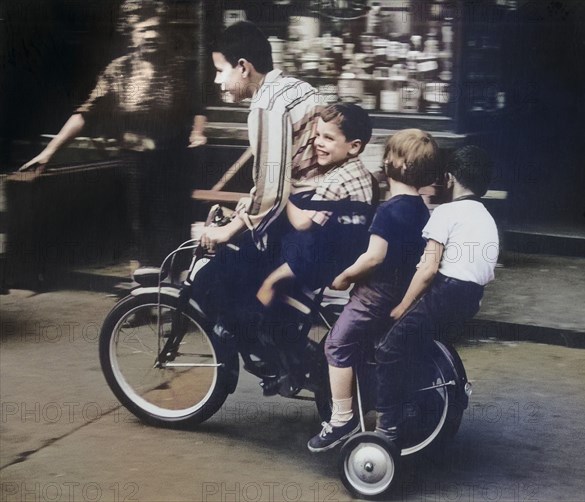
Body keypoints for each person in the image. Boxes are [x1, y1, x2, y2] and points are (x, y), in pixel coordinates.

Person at [18, 0, 207, 262]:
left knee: (173, 239)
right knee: (140, 242)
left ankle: (172, 297)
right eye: (143, 29)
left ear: (164, 31)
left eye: (155, 28)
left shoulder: (178, 68)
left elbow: (196, 109)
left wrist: (198, 133)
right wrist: (50, 151)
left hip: (172, 168)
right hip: (134, 170)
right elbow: (85, 113)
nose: (150, 34)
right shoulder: (118, 72)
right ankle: (143, 297)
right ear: (131, 33)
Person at [305, 129, 440, 452]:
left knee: (336, 346)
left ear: (397, 164)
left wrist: (346, 276)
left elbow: (374, 256)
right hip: (401, 290)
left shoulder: (388, 210)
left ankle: (341, 419)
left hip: (376, 293)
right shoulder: (420, 209)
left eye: (388, 154)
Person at [191, 20, 325, 328]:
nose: (216, 80)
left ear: (243, 67)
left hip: (301, 221)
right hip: (323, 211)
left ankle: (268, 362)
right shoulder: (296, 87)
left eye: (220, 70)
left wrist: (229, 230)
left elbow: (272, 191)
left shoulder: (267, 106)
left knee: (212, 278)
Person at [374, 145, 499, 443]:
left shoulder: (447, 211)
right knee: (413, 343)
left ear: (450, 178)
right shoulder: (484, 216)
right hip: (470, 299)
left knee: (388, 348)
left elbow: (428, 269)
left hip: (447, 291)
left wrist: (404, 304)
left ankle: (386, 428)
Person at [256, 103, 376, 307]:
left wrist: (283, 195)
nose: (318, 143)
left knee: (268, 281)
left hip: (326, 259)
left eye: (328, 138)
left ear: (354, 146)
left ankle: (258, 327)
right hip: (348, 249)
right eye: (318, 135)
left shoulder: (335, 181)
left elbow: (303, 223)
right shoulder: (358, 172)